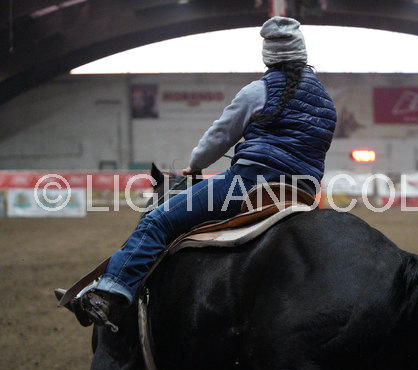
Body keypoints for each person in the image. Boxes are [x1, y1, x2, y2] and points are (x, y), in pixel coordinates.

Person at [73, 16, 337, 327]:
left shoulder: (258, 91)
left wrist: (196, 165)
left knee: (158, 221)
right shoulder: (326, 103)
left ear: (268, 54)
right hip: (303, 194)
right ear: (302, 53)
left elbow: (220, 136)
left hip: (249, 185)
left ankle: (109, 293)